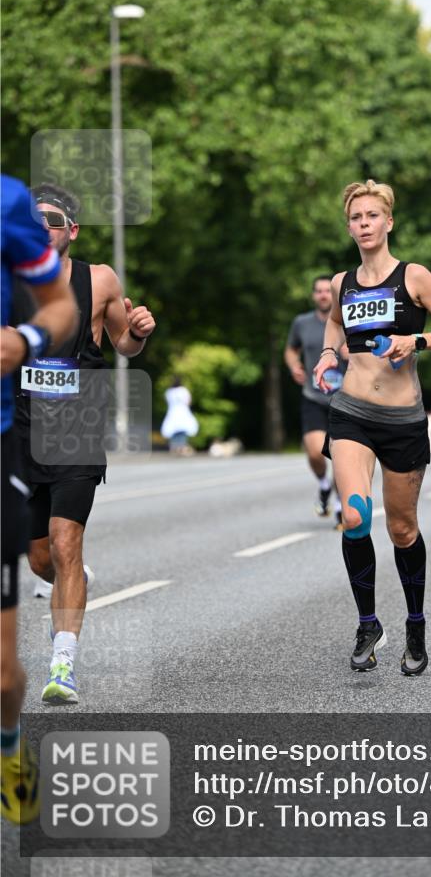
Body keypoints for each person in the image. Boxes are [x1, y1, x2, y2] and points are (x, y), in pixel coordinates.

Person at [312, 180, 431, 675]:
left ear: (388, 222)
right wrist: (325, 355)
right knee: (356, 517)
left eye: (370, 216)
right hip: (352, 412)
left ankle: (416, 625)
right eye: (355, 218)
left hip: (403, 419)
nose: (362, 224)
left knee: (402, 529)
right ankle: (367, 623)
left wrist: (416, 340)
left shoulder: (414, 277)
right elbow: (336, 326)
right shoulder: (343, 282)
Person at [13, 183, 156, 704]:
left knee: (65, 542)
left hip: (76, 430)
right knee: (39, 559)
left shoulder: (98, 280)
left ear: (72, 230)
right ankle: (72, 583)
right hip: (22, 434)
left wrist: (139, 330)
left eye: (50, 219)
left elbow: (124, 345)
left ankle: (63, 664)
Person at [1, 173, 76, 823]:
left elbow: (60, 305)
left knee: (1, 679)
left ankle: (7, 742)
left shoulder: (8, 203)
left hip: (6, 438)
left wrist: (23, 340)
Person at [285, 276, 347, 527]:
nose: (323, 295)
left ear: (333, 295)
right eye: (318, 291)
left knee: (343, 456)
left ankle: (342, 508)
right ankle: (324, 485)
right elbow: (291, 349)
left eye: (327, 291)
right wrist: (294, 366)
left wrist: (351, 352)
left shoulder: (346, 320)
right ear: (313, 296)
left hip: (345, 397)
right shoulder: (302, 323)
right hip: (313, 395)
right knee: (314, 452)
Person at [161, 377, 198, 455]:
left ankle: (174, 447)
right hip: (183, 412)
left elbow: (167, 402)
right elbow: (188, 401)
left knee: (173, 431)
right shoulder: (183, 390)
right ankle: (182, 447)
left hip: (172, 413)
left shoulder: (169, 392)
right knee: (182, 431)